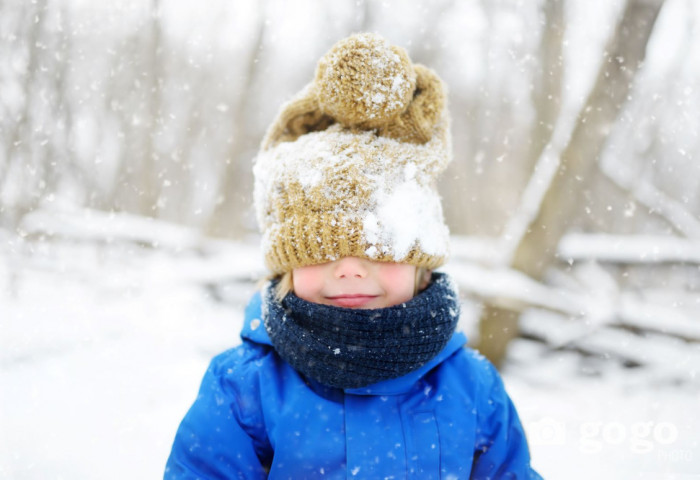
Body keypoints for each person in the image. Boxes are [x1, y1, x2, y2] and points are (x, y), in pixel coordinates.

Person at [164, 32, 541, 479]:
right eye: (320, 252)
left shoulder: (472, 388)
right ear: (287, 265)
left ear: (421, 264)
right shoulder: (245, 388)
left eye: (378, 250)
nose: (348, 270)